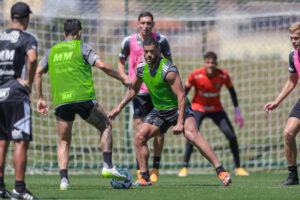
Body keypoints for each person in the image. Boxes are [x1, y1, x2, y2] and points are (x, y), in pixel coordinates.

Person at [109, 37, 232, 187]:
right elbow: (133, 89)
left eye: (151, 52)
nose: (148, 55)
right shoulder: (141, 68)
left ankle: (221, 171)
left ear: (158, 51)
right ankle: (144, 177)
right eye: (146, 52)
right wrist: (119, 107)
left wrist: (180, 122)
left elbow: (181, 96)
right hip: (160, 111)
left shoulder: (168, 70)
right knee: (139, 137)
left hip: (178, 108)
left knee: (192, 135)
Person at [34, 19, 131, 191]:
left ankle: (64, 180)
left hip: (61, 102)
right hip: (83, 99)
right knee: (106, 125)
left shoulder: (52, 51)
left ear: (64, 34)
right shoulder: (82, 47)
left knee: (64, 141)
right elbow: (101, 65)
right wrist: (122, 78)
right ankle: (107, 166)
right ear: (79, 32)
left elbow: (38, 72)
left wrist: (40, 97)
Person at [118, 11, 172, 183]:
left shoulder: (161, 40)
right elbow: (121, 61)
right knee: (140, 131)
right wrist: (124, 77)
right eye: (142, 23)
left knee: (158, 132)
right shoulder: (128, 41)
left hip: (157, 92)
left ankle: (156, 167)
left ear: (153, 24)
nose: (145, 26)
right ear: (138, 24)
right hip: (139, 93)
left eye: (149, 23)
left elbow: (169, 62)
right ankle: (143, 172)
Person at [178, 52, 249, 177]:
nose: (210, 65)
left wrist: (237, 110)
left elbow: (232, 91)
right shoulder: (195, 75)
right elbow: (184, 92)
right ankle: (184, 167)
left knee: (231, 135)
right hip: (198, 108)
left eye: (213, 63)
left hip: (216, 109)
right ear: (204, 63)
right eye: (208, 63)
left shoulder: (223, 75)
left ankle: (238, 167)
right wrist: (182, 109)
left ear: (216, 63)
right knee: (192, 134)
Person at [0, 2, 39, 199]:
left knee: (1, 142)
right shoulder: (27, 38)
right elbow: (32, 58)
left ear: (11, 17)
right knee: (20, 141)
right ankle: (19, 189)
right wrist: (28, 82)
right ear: (26, 18)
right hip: (16, 93)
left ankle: (0, 187)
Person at [264, 22, 300, 186]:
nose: (293, 41)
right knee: (288, 133)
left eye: (297, 38)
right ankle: (293, 176)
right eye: (291, 38)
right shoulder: (293, 56)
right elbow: (292, 81)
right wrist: (277, 102)